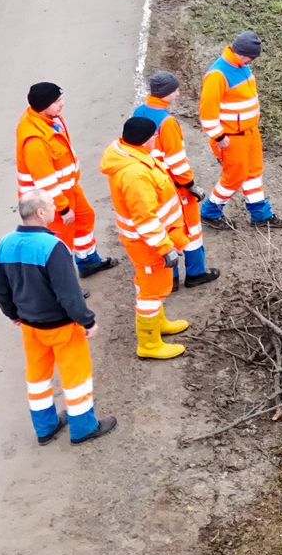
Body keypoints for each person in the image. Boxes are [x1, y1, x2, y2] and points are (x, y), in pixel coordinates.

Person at [0, 189, 116, 445]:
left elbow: (1, 289)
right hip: (61, 326)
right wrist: (87, 319)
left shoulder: (5, 243)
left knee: (38, 378)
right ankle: (83, 427)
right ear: (40, 212)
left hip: (29, 326)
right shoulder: (53, 247)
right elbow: (69, 293)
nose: (54, 208)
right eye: (51, 205)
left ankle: (45, 428)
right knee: (76, 377)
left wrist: (13, 315)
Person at [100, 115, 189, 361]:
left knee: (154, 286)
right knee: (151, 292)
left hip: (150, 241)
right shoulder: (134, 175)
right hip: (149, 244)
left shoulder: (135, 156)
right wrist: (164, 247)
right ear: (143, 140)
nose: (156, 140)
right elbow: (145, 218)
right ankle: (149, 344)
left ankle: (158, 324)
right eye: (153, 136)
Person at [15, 81, 115, 278]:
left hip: (68, 188)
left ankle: (87, 261)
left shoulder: (50, 119)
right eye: (58, 101)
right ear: (44, 105)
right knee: (62, 243)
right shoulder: (35, 141)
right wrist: (63, 208)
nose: (62, 104)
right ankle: (64, 283)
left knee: (85, 217)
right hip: (50, 200)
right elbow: (45, 181)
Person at [133, 70, 220, 290]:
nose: (178, 94)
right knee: (190, 228)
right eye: (175, 90)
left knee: (164, 229)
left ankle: (169, 280)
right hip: (174, 186)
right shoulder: (167, 122)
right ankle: (196, 273)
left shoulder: (139, 111)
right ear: (165, 94)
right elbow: (177, 162)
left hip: (151, 183)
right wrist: (191, 186)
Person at [197, 32, 282, 230]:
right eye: (252, 57)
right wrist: (218, 136)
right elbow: (207, 111)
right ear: (241, 53)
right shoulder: (217, 75)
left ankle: (260, 214)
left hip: (249, 132)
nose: (253, 61)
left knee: (254, 173)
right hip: (231, 137)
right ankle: (210, 212)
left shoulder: (243, 66)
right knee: (234, 177)